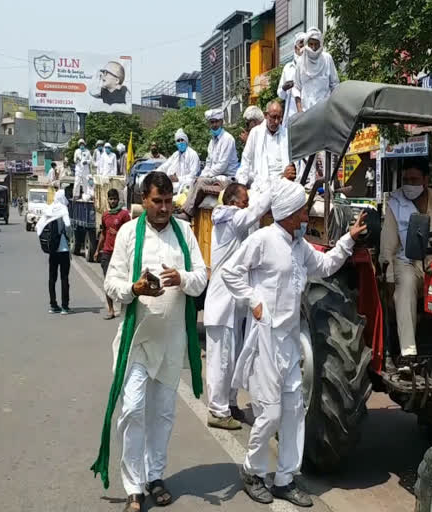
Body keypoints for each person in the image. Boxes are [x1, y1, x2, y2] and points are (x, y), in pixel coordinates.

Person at [222, 179, 366, 507]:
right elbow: (232, 272)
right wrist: (253, 301)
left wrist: (348, 239)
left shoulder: (299, 245)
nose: (305, 213)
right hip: (266, 340)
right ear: (287, 213)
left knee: (293, 412)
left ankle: (285, 478)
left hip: (289, 340)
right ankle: (252, 471)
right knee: (270, 413)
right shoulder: (262, 240)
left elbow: (327, 266)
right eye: (301, 209)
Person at [101, 171, 207, 511]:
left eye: (167, 201)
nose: (163, 208)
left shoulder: (185, 232)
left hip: (172, 341)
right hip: (138, 341)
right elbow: (111, 281)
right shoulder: (130, 233)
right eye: (156, 201)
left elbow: (201, 278)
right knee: (132, 410)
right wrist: (134, 289)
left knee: (162, 414)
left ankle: (154, 476)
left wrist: (182, 278)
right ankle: (134, 487)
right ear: (143, 200)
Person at [204, 183, 272, 430]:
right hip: (221, 307)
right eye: (244, 200)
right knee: (220, 363)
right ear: (233, 201)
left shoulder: (233, 221)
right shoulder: (229, 218)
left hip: (234, 307)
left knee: (232, 360)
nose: (247, 203)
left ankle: (230, 405)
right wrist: (276, 186)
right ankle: (217, 411)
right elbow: (254, 212)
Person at [379, 157, 432, 369]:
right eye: (405, 179)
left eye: (414, 179)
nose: (409, 184)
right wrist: (387, 278)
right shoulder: (395, 202)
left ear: (425, 180)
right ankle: (408, 353)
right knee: (406, 282)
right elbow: (388, 243)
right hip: (406, 260)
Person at [181, 109, 239, 217]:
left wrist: (205, 176)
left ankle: (187, 214)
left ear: (222, 122)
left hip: (227, 177)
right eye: (212, 122)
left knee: (200, 183)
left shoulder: (228, 139)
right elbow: (208, 163)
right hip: (215, 176)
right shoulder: (212, 142)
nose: (214, 125)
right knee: (195, 180)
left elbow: (222, 166)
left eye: (216, 121)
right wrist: (203, 175)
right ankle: (185, 209)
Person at [236, 100, 296, 192]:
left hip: (283, 184)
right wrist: (241, 186)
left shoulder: (286, 134)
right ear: (266, 115)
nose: (276, 121)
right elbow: (246, 160)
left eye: (279, 118)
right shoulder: (255, 133)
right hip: (261, 186)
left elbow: (293, 163)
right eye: (273, 117)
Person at [95, 189, 131, 320]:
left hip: (121, 253)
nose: (112, 201)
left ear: (118, 200)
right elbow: (103, 234)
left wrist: (118, 234)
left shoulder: (124, 214)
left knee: (123, 281)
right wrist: (97, 250)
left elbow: (130, 232)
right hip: (107, 253)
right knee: (107, 282)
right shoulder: (105, 215)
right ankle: (110, 310)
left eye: (114, 199)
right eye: (110, 199)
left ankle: (123, 308)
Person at [37, 190, 72, 315]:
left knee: (52, 278)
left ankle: (53, 304)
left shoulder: (49, 209)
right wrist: (68, 236)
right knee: (64, 278)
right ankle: (65, 306)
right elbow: (68, 225)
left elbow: (38, 226)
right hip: (63, 249)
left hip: (52, 248)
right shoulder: (63, 209)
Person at [294, 27, 339, 113]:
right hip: (306, 111)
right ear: (306, 43)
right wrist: (300, 111)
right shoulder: (300, 61)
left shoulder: (327, 59)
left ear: (320, 44)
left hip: (325, 111)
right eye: (311, 44)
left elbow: (335, 85)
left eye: (316, 44)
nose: (313, 47)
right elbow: (296, 88)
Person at [160, 128, 201, 195]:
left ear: (186, 141)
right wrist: (155, 173)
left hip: (188, 183)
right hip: (175, 183)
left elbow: (193, 175)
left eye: (182, 140)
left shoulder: (193, 154)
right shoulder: (175, 154)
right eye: (178, 141)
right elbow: (165, 166)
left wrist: (178, 179)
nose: (180, 142)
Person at [278, 32, 306, 127]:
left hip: (307, 110)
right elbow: (281, 95)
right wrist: (284, 88)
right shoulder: (288, 68)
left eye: (305, 44)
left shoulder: (312, 65)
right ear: (295, 47)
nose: (303, 48)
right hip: (291, 114)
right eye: (301, 44)